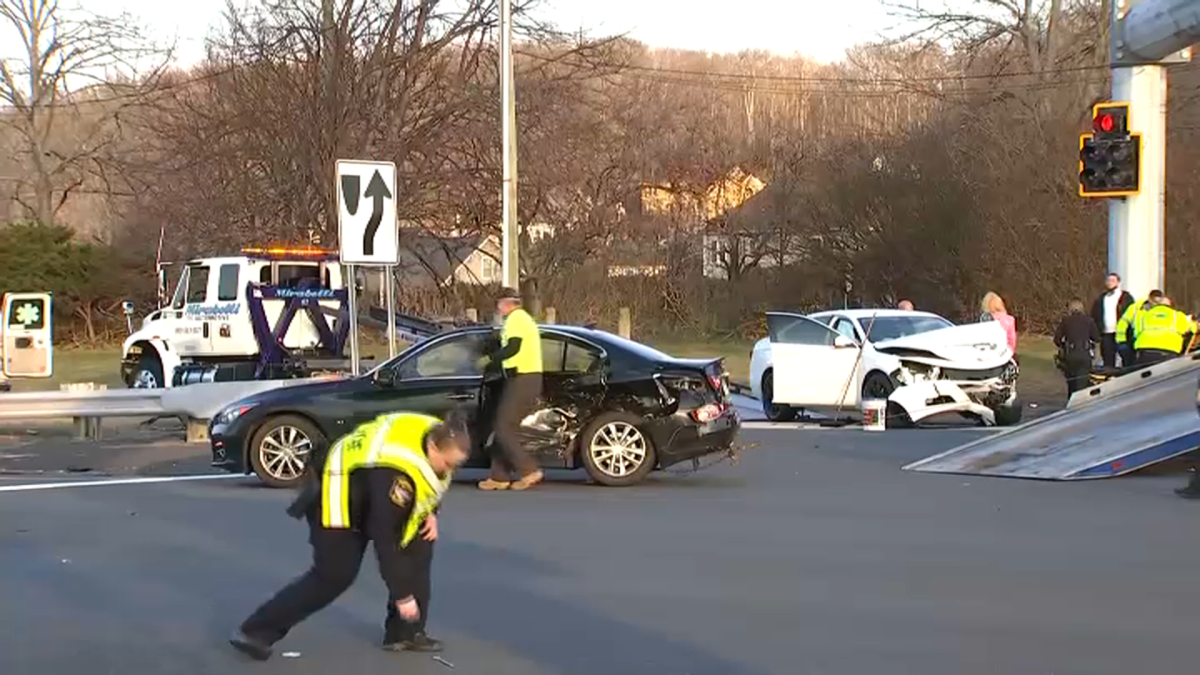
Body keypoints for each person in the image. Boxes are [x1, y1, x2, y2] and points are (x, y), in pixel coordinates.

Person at [229, 411, 470, 661]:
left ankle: (404, 632)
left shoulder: (436, 432)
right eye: (449, 464)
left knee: (420, 541)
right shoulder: (394, 474)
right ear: (432, 446)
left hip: (368, 491)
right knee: (334, 575)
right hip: (336, 496)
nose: (450, 470)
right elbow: (384, 537)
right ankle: (254, 632)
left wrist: (431, 511)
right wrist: (402, 595)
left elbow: (432, 482)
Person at [477, 287, 545, 491]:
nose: (498, 308)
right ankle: (499, 476)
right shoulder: (521, 319)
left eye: (499, 304)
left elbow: (513, 347)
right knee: (504, 428)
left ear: (507, 303)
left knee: (504, 426)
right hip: (523, 378)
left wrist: (490, 360)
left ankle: (529, 470)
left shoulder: (517, 320)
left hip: (524, 378)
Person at [1117, 290, 1197, 366]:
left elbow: (1136, 332)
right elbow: (1192, 328)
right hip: (1169, 351)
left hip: (1144, 350)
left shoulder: (1143, 315)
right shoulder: (1177, 316)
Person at [1054, 299, 1100, 396]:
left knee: (1071, 382)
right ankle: (1080, 404)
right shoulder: (1089, 321)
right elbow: (1096, 338)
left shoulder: (1066, 321)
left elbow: (1057, 340)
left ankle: (1071, 402)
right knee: (1082, 383)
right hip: (1084, 353)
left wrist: (1063, 345)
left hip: (1071, 354)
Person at [1090, 273, 1134, 368]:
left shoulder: (1126, 298)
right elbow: (1095, 315)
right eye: (1108, 281)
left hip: (1122, 334)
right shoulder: (1101, 298)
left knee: (1127, 359)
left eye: (1113, 281)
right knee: (1108, 360)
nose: (1110, 283)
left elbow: (1132, 313)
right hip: (1106, 334)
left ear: (1118, 282)